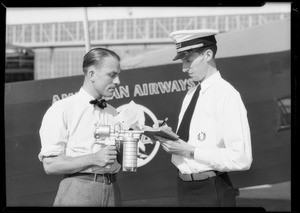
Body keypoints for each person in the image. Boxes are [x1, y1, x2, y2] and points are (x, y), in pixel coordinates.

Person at [155, 29, 253, 207]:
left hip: (211, 189)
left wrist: (190, 151)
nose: (184, 68)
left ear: (208, 54)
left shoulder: (227, 95)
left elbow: (241, 158)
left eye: (188, 60)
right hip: (184, 185)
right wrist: (170, 138)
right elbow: (188, 142)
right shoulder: (191, 93)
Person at [38, 47, 122, 207]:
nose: (117, 82)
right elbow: (50, 165)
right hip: (78, 191)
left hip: (113, 191)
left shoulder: (113, 113)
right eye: (112, 75)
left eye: (118, 75)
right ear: (91, 74)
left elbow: (115, 159)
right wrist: (94, 158)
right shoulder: (63, 109)